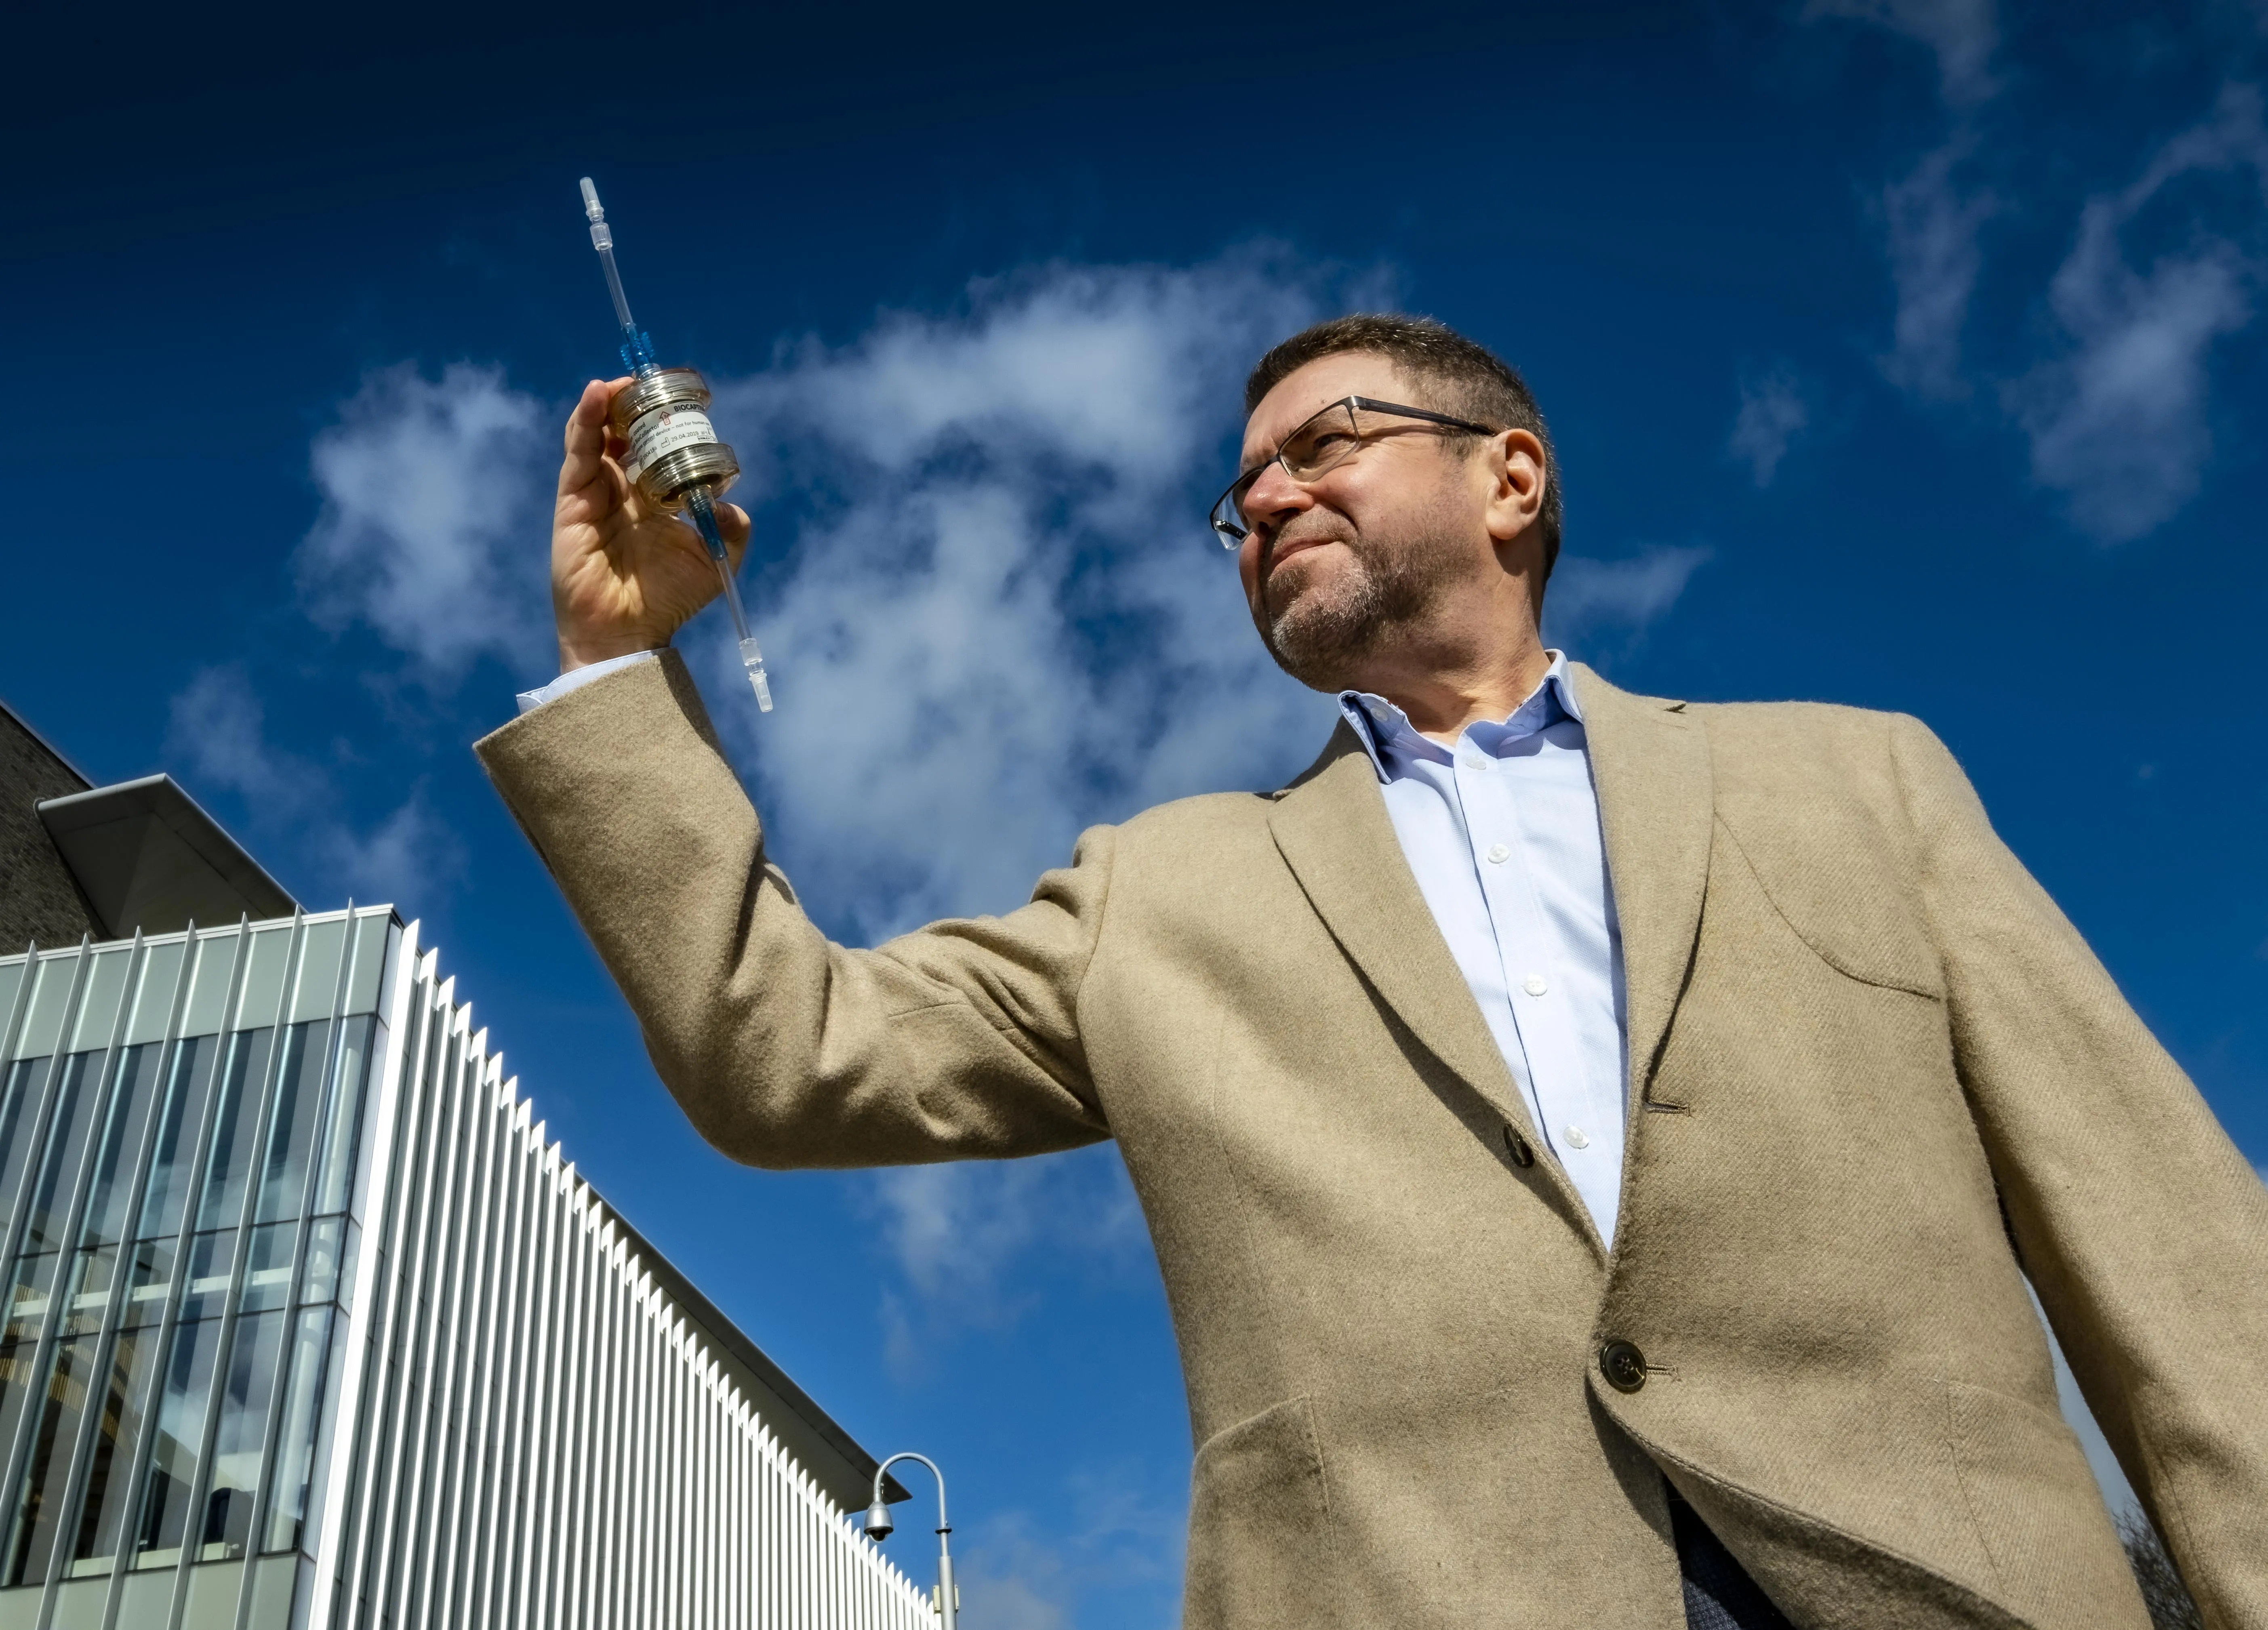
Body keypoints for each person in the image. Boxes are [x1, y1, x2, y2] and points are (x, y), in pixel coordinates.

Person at [476, 315, 2268, 1630]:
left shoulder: (1858, 778)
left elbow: (2175, 1269)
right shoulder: (1150, 895)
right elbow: (778, 1056)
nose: (1260, 499)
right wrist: (609, 668)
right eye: (1237, 492)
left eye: (1319, 446)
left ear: (1510, 478)